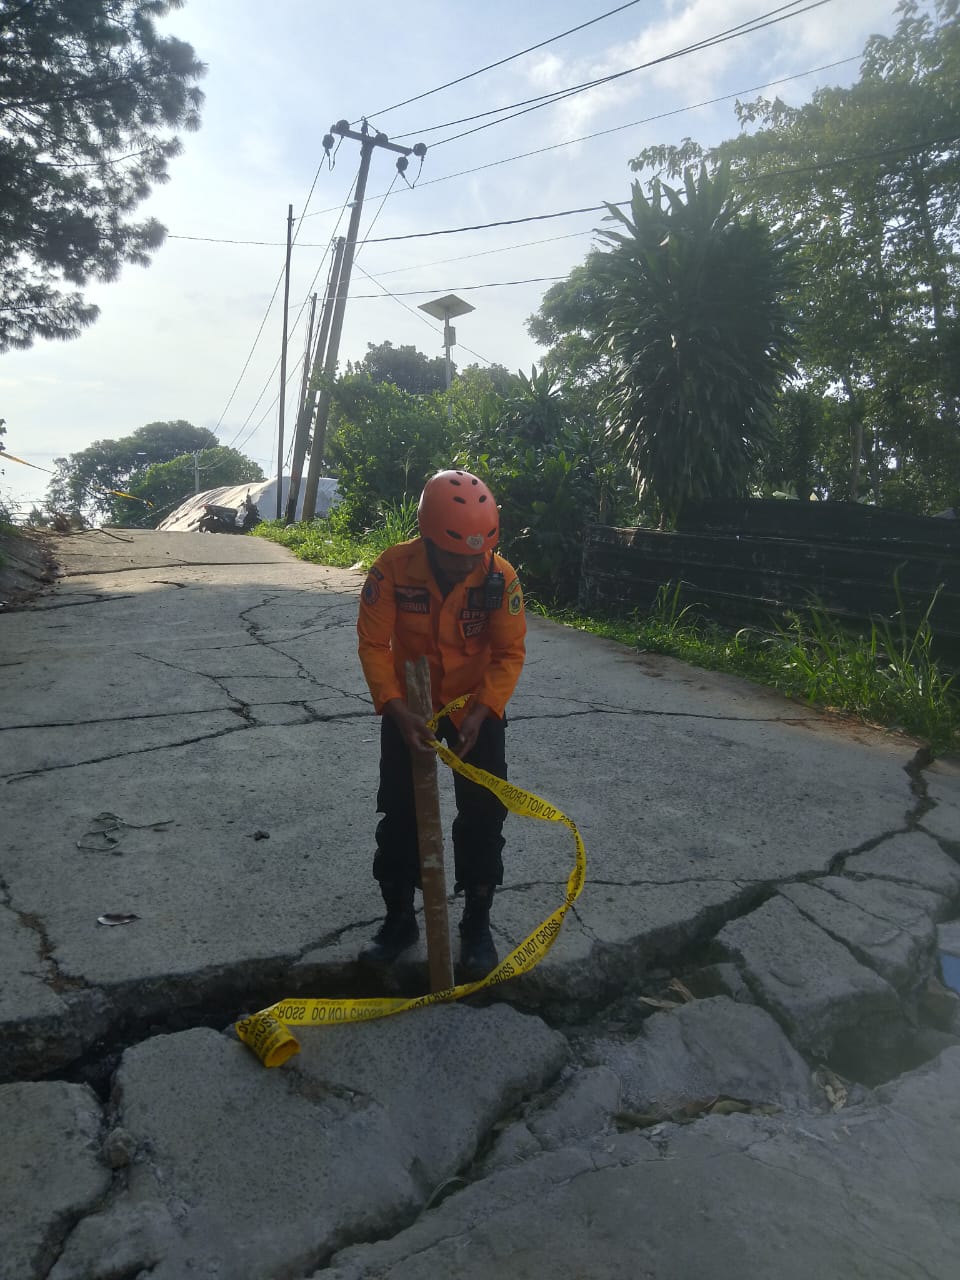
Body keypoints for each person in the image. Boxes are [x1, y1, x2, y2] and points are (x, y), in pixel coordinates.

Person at [356, 469, 526, 978]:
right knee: (401, 815)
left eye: (479, 554)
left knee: (483, 816)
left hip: (476, 707)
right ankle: (399, 920)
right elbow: (373, 645)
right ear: (427, 538)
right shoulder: (391, 570)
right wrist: (392, 705)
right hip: (410, 708)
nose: (471, 565)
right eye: (458, 556)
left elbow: (508, 651)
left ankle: (476, 923)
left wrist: (483, 711)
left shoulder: (500, 577)